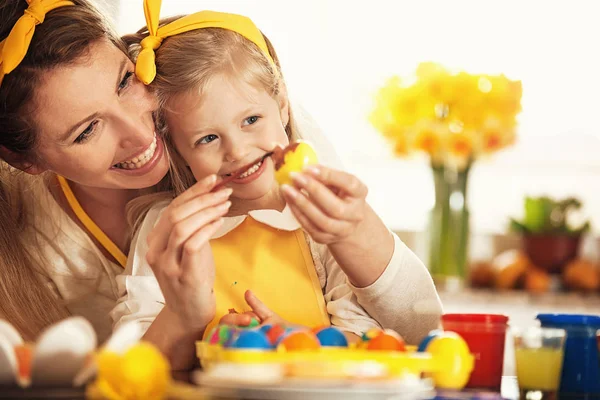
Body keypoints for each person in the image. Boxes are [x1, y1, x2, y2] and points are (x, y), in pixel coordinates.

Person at [0, 0, 354, 356]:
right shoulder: (34, 250)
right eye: (88, 130)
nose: (141, 135)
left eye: (125, 81)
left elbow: (384, 316)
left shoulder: (255, 127)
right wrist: (185, 319)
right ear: (24, 160)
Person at [112, 0, 443, 370]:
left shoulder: (322, 215)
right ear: (177, 150)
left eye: (251, 119)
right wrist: (203, 336)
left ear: (282, 106)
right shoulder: (169, 229)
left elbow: (376, 334)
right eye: (207, 139)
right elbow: (134, 350)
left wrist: (295, 342)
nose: (237, 150)